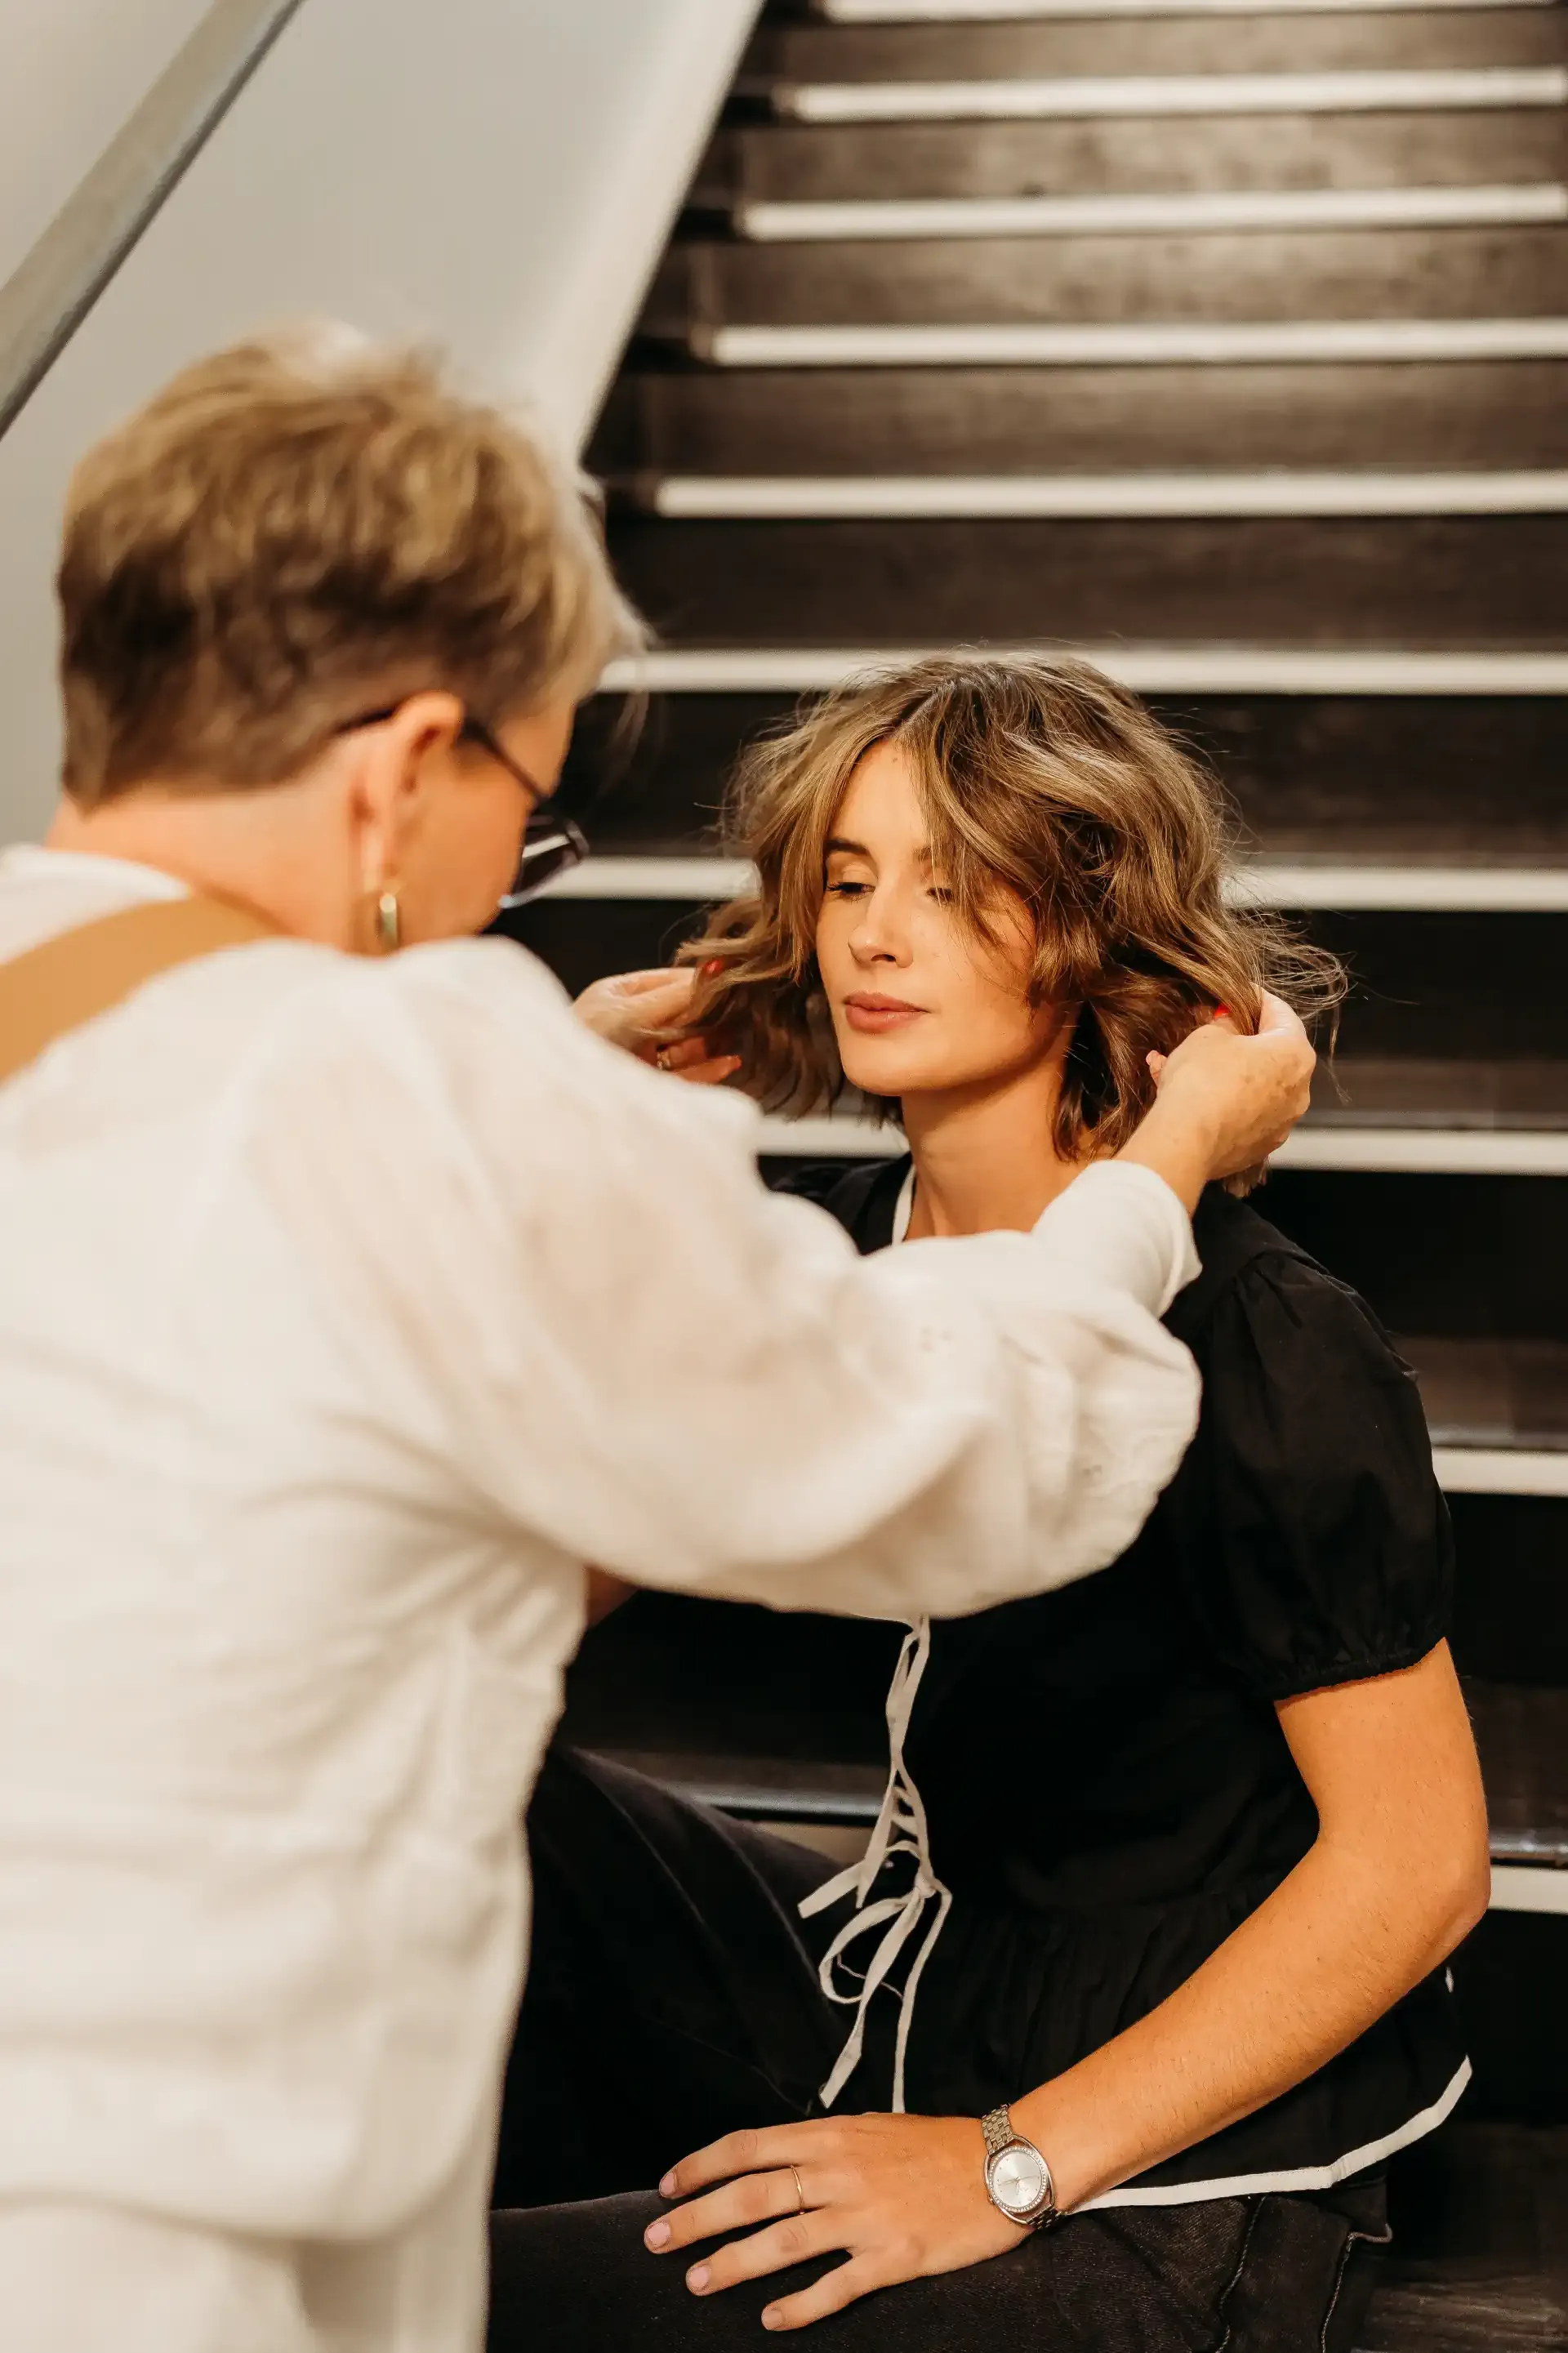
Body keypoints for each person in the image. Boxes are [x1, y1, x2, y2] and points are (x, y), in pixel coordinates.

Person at [0, 341, 1312, 2353]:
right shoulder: (428, 1097)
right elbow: (953, 1451)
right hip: (140, 2205)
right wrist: (1156, 1176)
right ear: (402, 763)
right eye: (527, 799)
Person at [488, 655, 1490, 2352]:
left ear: (1092, 929)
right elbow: (538, 1596)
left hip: (1167, 2125)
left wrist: (1004, 2168)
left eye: (955, 889)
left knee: (453, 2309)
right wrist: (592, 1142)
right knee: (468, 1771)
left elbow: (1419, 1866)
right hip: (925, 1974)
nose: (877, 935)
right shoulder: (828, 1235)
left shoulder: (1261, 1330)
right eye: (851, 881)